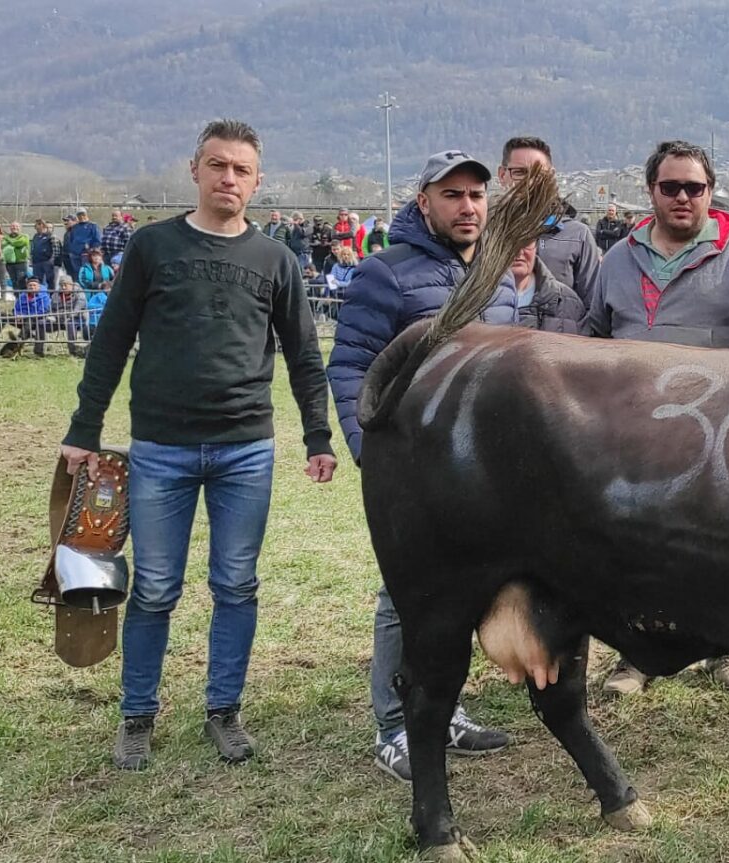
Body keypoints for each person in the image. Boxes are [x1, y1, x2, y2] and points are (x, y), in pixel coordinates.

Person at [59, 120, 337, 772]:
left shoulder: (276, 261)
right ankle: (137, 713)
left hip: (246, 450)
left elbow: (303, 357)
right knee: (155, 587)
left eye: (241, 169)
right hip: (161, 447)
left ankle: (224, 709)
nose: (229, 178)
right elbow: (110, 343)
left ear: (258, 181)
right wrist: (84, 429)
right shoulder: (154, 248)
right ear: (195, 169)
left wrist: (319, 435)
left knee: (236, 583)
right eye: (218, 165)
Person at [327, 149, 520, 782]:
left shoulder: (499, 277)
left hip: (487, 468)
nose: (468, 207)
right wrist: (367, 449)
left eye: (476, 195)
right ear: (424, 203)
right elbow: (350, 363)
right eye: (452, 195)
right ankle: (392, 724)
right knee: (402, 593)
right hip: (413, 466)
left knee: (462, 590)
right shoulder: (386, 274)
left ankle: (445, 709)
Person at [583, 140, 729, 697]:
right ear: (652, 193)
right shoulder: (617, 259)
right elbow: (594, 336)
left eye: (695, 187)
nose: (684, 197)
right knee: (636, 548)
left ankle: (726, 650)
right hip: (632, 440)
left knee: (721, 547)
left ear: (712, 192)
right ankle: (637, 655)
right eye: (672, 187)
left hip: (720, 440)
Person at [498, 136, 603, 305]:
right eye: (520, 173)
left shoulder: (577, 236)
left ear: (552, 176)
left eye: (539, 174)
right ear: (502, 175)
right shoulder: (484, 233)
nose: (529, 182)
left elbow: (592, 308)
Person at [509, 238, 586, 333]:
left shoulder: (569, 304)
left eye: (526, 242)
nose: (519, 252)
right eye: (510, 243)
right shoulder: (486, 299)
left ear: (536, 247)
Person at [13, 274, 53, 356]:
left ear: (38, 286)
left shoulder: (44, 296)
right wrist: (17, 314)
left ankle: (19, 341)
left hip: (37, 319)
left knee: (30, 320)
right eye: (30, 285)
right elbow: (16, 308)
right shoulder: (22, 296)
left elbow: (43, 311)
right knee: (3, 316)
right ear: (27, 286)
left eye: (34, 285)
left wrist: (25, 316)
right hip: (21, 319)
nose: (32, 287)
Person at [64, 209, 101, 279]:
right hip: (75, 255)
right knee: (76, 274)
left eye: (83, 214)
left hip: (86, 255)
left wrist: (91, 251)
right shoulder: (75, 227)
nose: (81, 216)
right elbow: (71, 240)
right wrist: (71, 251)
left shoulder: (93, 226)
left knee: (87, 273)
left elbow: (97, 240)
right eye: (79, 215)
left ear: (86, 215)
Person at [3, 222, 30, 291]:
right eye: (12, 226)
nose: (14, 228)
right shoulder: (5, 237)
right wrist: (12, 242)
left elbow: (20, 243)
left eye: (16, 226)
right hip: (9, 263)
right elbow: (3, 244)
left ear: (20, 228)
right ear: (10, 228)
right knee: (14, 281)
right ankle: (17, 298)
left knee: (21, 281)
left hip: (21, 262)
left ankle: (23, 298)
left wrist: (10, 241)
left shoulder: (24, 236)